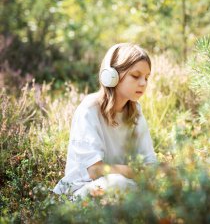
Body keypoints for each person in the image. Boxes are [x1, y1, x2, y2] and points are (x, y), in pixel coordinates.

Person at [53, 43, 157, 199]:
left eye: (147, 78)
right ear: (112, 75)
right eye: (136, 76)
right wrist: (136, 172)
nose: (143, 83)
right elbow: (95, 170)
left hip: (121, 187)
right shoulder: (89, 109)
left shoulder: (136, 110)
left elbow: (149, 161)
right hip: (79, 193)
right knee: (117, 184)